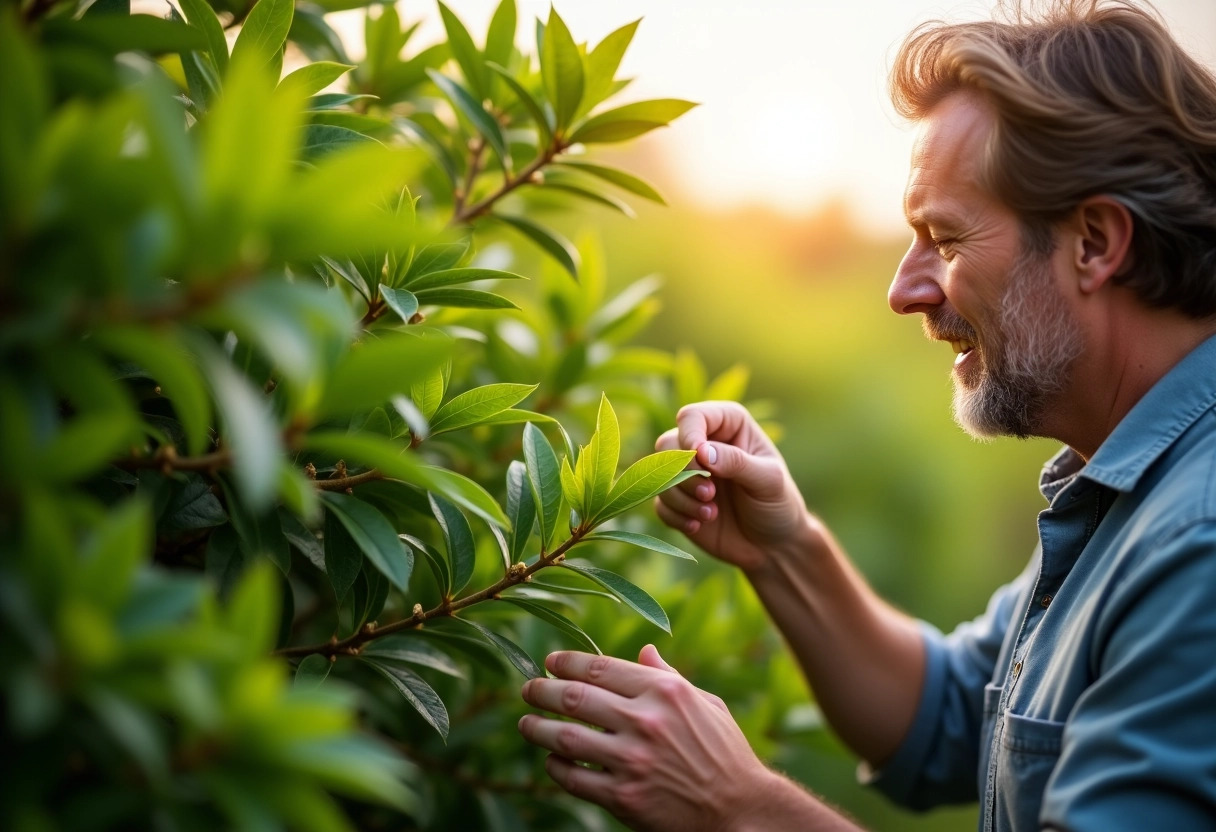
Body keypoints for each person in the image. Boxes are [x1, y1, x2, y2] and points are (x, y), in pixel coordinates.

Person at [517, 1, 1216, 829]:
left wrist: (738, 808)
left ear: (1095, 243)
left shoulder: (1196, 542)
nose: (903, 289)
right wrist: (784, 549)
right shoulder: (1131, 488)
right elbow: (950, 716)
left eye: (946, 241)